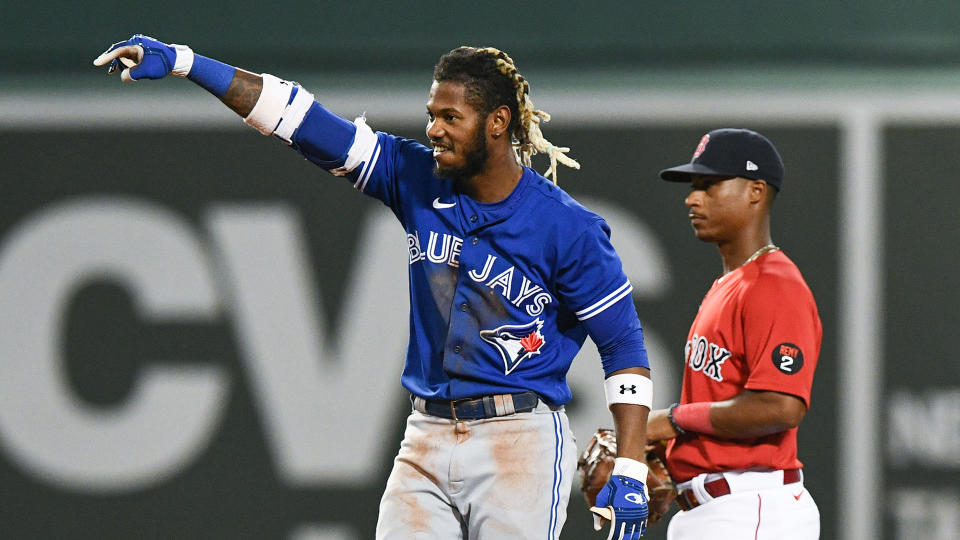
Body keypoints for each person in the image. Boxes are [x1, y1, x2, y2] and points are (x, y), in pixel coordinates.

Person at [94, 35, 653, 539]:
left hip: (519, 440)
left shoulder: (568, 227)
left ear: (498, 122)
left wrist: (629, 466)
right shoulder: (415, 175)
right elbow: (299, 119)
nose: (433, 129)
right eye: (431, 114)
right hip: (427, 434)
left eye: (450, 116)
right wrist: (190, 64)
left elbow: (623, 348)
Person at [646, 128, 821, 539]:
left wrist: (673, 420)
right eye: (694, 187)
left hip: (750, 507)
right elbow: (720, 406)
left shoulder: (775, 285)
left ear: (756, 191)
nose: (692, 198)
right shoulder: (731, 283)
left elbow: (780, 406)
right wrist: (672, 454)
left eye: (709, 186)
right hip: (716, 508)